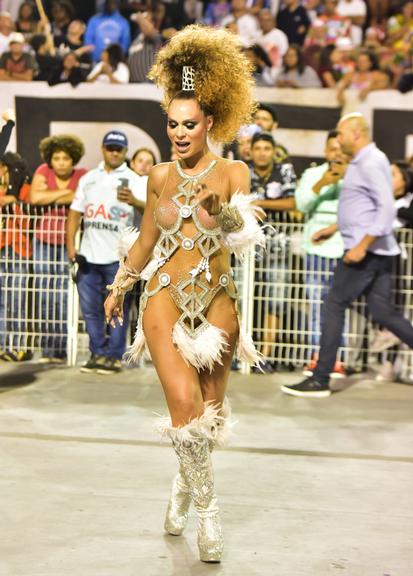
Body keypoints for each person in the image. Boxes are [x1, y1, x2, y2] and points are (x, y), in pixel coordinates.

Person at [104, 25, 262, 563]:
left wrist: (228, 213)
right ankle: (208, 513)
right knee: (184, 406)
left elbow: (243, 235)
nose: (178, 133)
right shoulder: (160, 177)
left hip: (217, 302)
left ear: (210, 122)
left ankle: (182, 483)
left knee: (208, 421)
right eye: (171, 124)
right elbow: (148, 238)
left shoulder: (233, 171)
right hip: (165, 297)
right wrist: (122, 283)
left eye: (189, 124)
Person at [281, 113, 413, 398]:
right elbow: (362, 208)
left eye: (340, 135)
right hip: (375, 250)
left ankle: (320, 378)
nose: (337, 140)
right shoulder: (361, 162)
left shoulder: (372, 161)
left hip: (366, 253)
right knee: (384, 313)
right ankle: (321, 376)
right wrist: (333, 227)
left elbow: (386, 209)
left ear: (355, 134)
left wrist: (362, 245)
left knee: (332, 304)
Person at [66, 131, 147, 375]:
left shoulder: (135, 180)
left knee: (118, 309)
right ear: (102, 149)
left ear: (125, 152)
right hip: (89, 255)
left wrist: (134, 200)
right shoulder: (89, 178)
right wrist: (72, 248)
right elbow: (75, 213)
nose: (114, 152)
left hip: (118, 258)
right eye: (110, 148)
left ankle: (113, 356)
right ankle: (97, 354)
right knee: (90, 310)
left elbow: (151, 211)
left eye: (118, 149)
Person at [295, 130, 348, 377]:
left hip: (344, 248)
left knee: (339, 306)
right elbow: (302, 205)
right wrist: (323, 183)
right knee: (316, 305)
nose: (336, 152)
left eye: (340, 147)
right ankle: (317, 356)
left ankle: (338, 358)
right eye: (332, 148)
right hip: (315, 249)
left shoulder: (356, 176)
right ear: (326, 151)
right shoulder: (312, 174)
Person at [30, 134, 87, 363]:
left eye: (65, 158)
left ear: (73, 159)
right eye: (57, 158)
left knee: (65, 294)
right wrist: (66, 196)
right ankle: (48, 349)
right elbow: (35, 198)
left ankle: (62, 349)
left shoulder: (82, 175)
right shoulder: (43, 170)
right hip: (44, 239)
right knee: (45, 292)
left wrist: (51, 196)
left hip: (70, 241)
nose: (61, 162)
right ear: (50, 159)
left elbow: (80, 197)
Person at [250, 131, 296, 372]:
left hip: (278, 246)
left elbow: (293, 203)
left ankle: (265, 355)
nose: (262, 153)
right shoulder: (242, 171)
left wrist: (260, 204)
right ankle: (242, 352)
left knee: (275, 301)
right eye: (257, 148)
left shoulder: (285, 170)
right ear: (251, 151)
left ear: (273, 151)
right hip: (247, 248)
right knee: (244, 299)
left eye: (266, 148)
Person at [0, 151, 32, 362]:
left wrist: (14, 203)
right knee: (3, 302)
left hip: (19, 248)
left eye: (4, 168)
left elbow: (30, 222)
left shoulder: (25, 190)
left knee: (17, 299)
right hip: (2, 247)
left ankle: (18, 345)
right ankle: (4, 344)